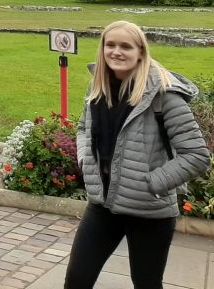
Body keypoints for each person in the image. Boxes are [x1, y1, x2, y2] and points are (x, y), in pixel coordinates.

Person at [64, 21, 210, 289]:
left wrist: (151, 184)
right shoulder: (98, 88)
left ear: (141, 52)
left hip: (149, 212)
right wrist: (86, 161)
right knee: (77, 279)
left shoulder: (164, 95)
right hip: (102, 207)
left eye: (125, 46)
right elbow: (84, 129)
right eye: (110, 45)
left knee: (146, 284)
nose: (116, 52)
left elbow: (196, 155)